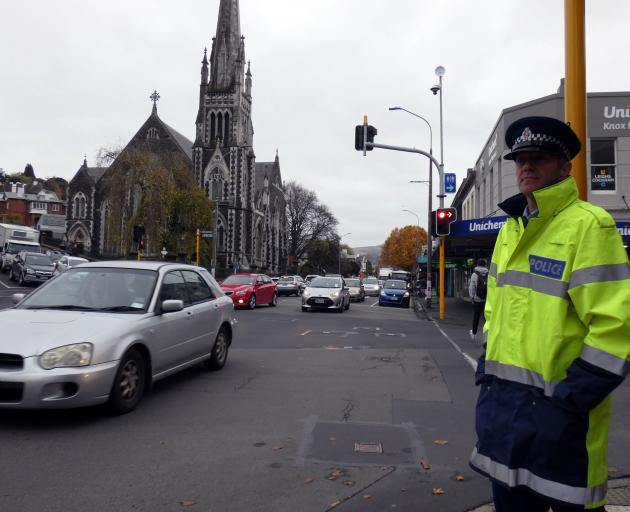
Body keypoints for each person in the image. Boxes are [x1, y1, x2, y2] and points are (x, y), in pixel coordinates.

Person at [470, 116, 630, 511]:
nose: (526, 166)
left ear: (564, 166)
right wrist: (488, 367)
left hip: (562, 425)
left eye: (538, 158)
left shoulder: (590, 227)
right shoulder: (510, 228)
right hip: (504, 416)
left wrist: (570, 399)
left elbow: (616, 328)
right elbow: (495, 309)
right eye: (520, 159)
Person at [468, 258, 488, 341]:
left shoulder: (474, 274)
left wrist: (472, 297)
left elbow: (472, 287)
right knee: (486, 317)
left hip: (477, 299)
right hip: (487, 300)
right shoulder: (488, 273)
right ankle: (487, 335)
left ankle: (474, 333)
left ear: (477, 265)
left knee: (476, 316)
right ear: (485, 265)